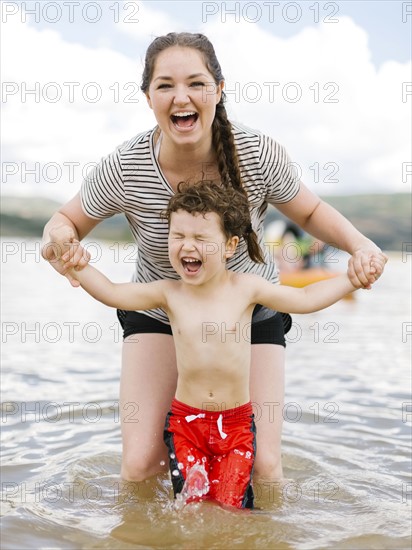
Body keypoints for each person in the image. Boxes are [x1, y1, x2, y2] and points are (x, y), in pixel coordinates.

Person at [41, 32, 387, 484]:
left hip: (249, 310)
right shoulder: (126, 165)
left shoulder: (256, 153)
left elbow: (312, 210)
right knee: (142, 464)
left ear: (218, 90)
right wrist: (59, 242)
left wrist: (361, 248)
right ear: (148, 97)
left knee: (262, 468)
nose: (180, 97)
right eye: (164, 85)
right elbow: (65, 220)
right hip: (160, 311)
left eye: (196, 83)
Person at [56, 180, 366, 509]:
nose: (188, 246)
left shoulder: (247, 289)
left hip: (236, 426)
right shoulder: (168, 293)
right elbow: (113, 293)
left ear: (230, 245)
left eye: (201, 238)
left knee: (232, 510)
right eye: (179, 236)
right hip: (186, 425)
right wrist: (76, 264)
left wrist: (351, 278)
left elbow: (304, 298)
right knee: (190, 511)